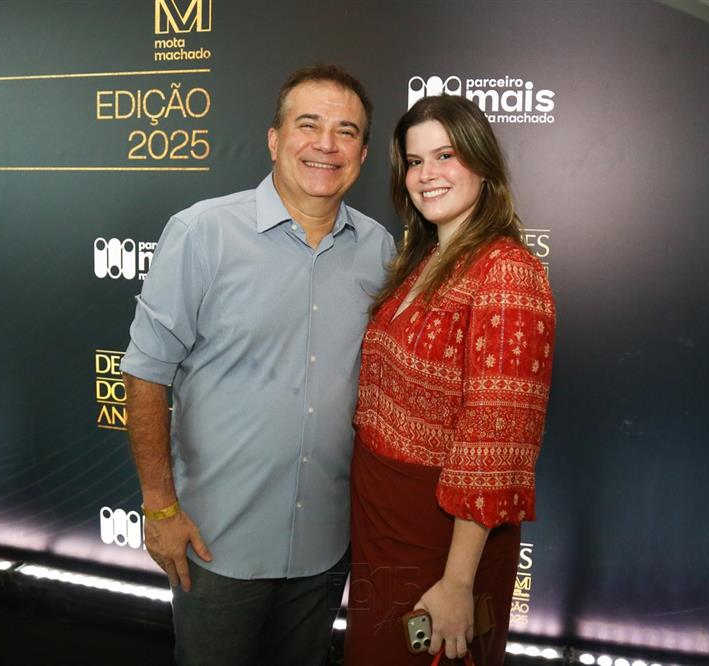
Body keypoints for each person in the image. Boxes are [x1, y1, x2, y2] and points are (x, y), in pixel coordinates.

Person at [120, 64, 394, 666]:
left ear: (363, 153)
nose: (326, 144)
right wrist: (159, 507)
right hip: (217, 544)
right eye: (308, 124)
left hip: (325, 547)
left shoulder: (379, 249)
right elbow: (145, 374)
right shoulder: (202, 232)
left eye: (346, 131)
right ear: (274, 139)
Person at [344, 95, 555, 666]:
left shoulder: (507, 270)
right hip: (383, 524)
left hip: (442, 539)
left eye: (445, 155)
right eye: (415, 162)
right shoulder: (422, 257)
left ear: (483, 165)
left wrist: (459, 582)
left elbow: (497, 437)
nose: (427, 174)